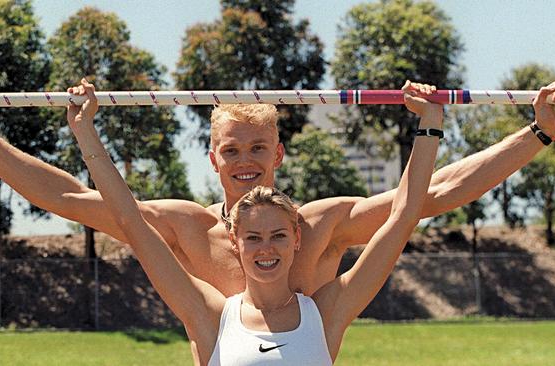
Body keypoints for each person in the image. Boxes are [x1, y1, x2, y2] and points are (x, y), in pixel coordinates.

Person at [0, 80, 555, 297]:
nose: (246, 162)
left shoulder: (322, 225)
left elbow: (433, 192)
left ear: (278, 153)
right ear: (213, 157)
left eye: (256, 149)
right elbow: (68, 199)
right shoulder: (187, 227)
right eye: (232, 150)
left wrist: (540, 133)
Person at [70, 79, 441, 364]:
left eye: (277, 235)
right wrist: (85, 130)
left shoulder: (325, 313)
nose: (266, 248)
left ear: (296, 238)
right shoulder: (210, 314)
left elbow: (405, 214)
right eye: (253, 237)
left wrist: (429, 123)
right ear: (235, 242)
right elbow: (130, 219)